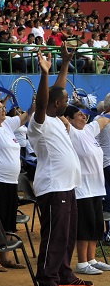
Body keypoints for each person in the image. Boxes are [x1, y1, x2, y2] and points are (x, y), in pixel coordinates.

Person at [28, 44, 90, 286]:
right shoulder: (39, 121)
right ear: (57, 104)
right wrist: (44, 74)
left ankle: (64, 273)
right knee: (54, 235)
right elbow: (44, 101)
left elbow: (57, 92)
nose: (69, 102)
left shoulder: (55, 117)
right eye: (65, 101)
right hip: (53, 187)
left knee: (66, 234)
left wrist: (64, 64)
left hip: (67, 186)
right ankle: (46, 279)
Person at [0, 92, 33, 270]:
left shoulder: (8, 124)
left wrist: (35, 104)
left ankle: (5, 256)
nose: (4, 111)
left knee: (8, 218)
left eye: (3, 108)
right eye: (0, 109)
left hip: (9, 180)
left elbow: (26, 116)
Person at [63, 105, 110, 275]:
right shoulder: (71, 132)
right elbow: (59, 116)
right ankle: (82, 263)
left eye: (84, 114)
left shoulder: (89, 130)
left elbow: (104, 120)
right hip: (82, 188)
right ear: (69, 119)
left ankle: (91, 259)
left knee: (97, 224)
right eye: (79, 115)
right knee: (85, 225)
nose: (83, 117)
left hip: (96, 187)